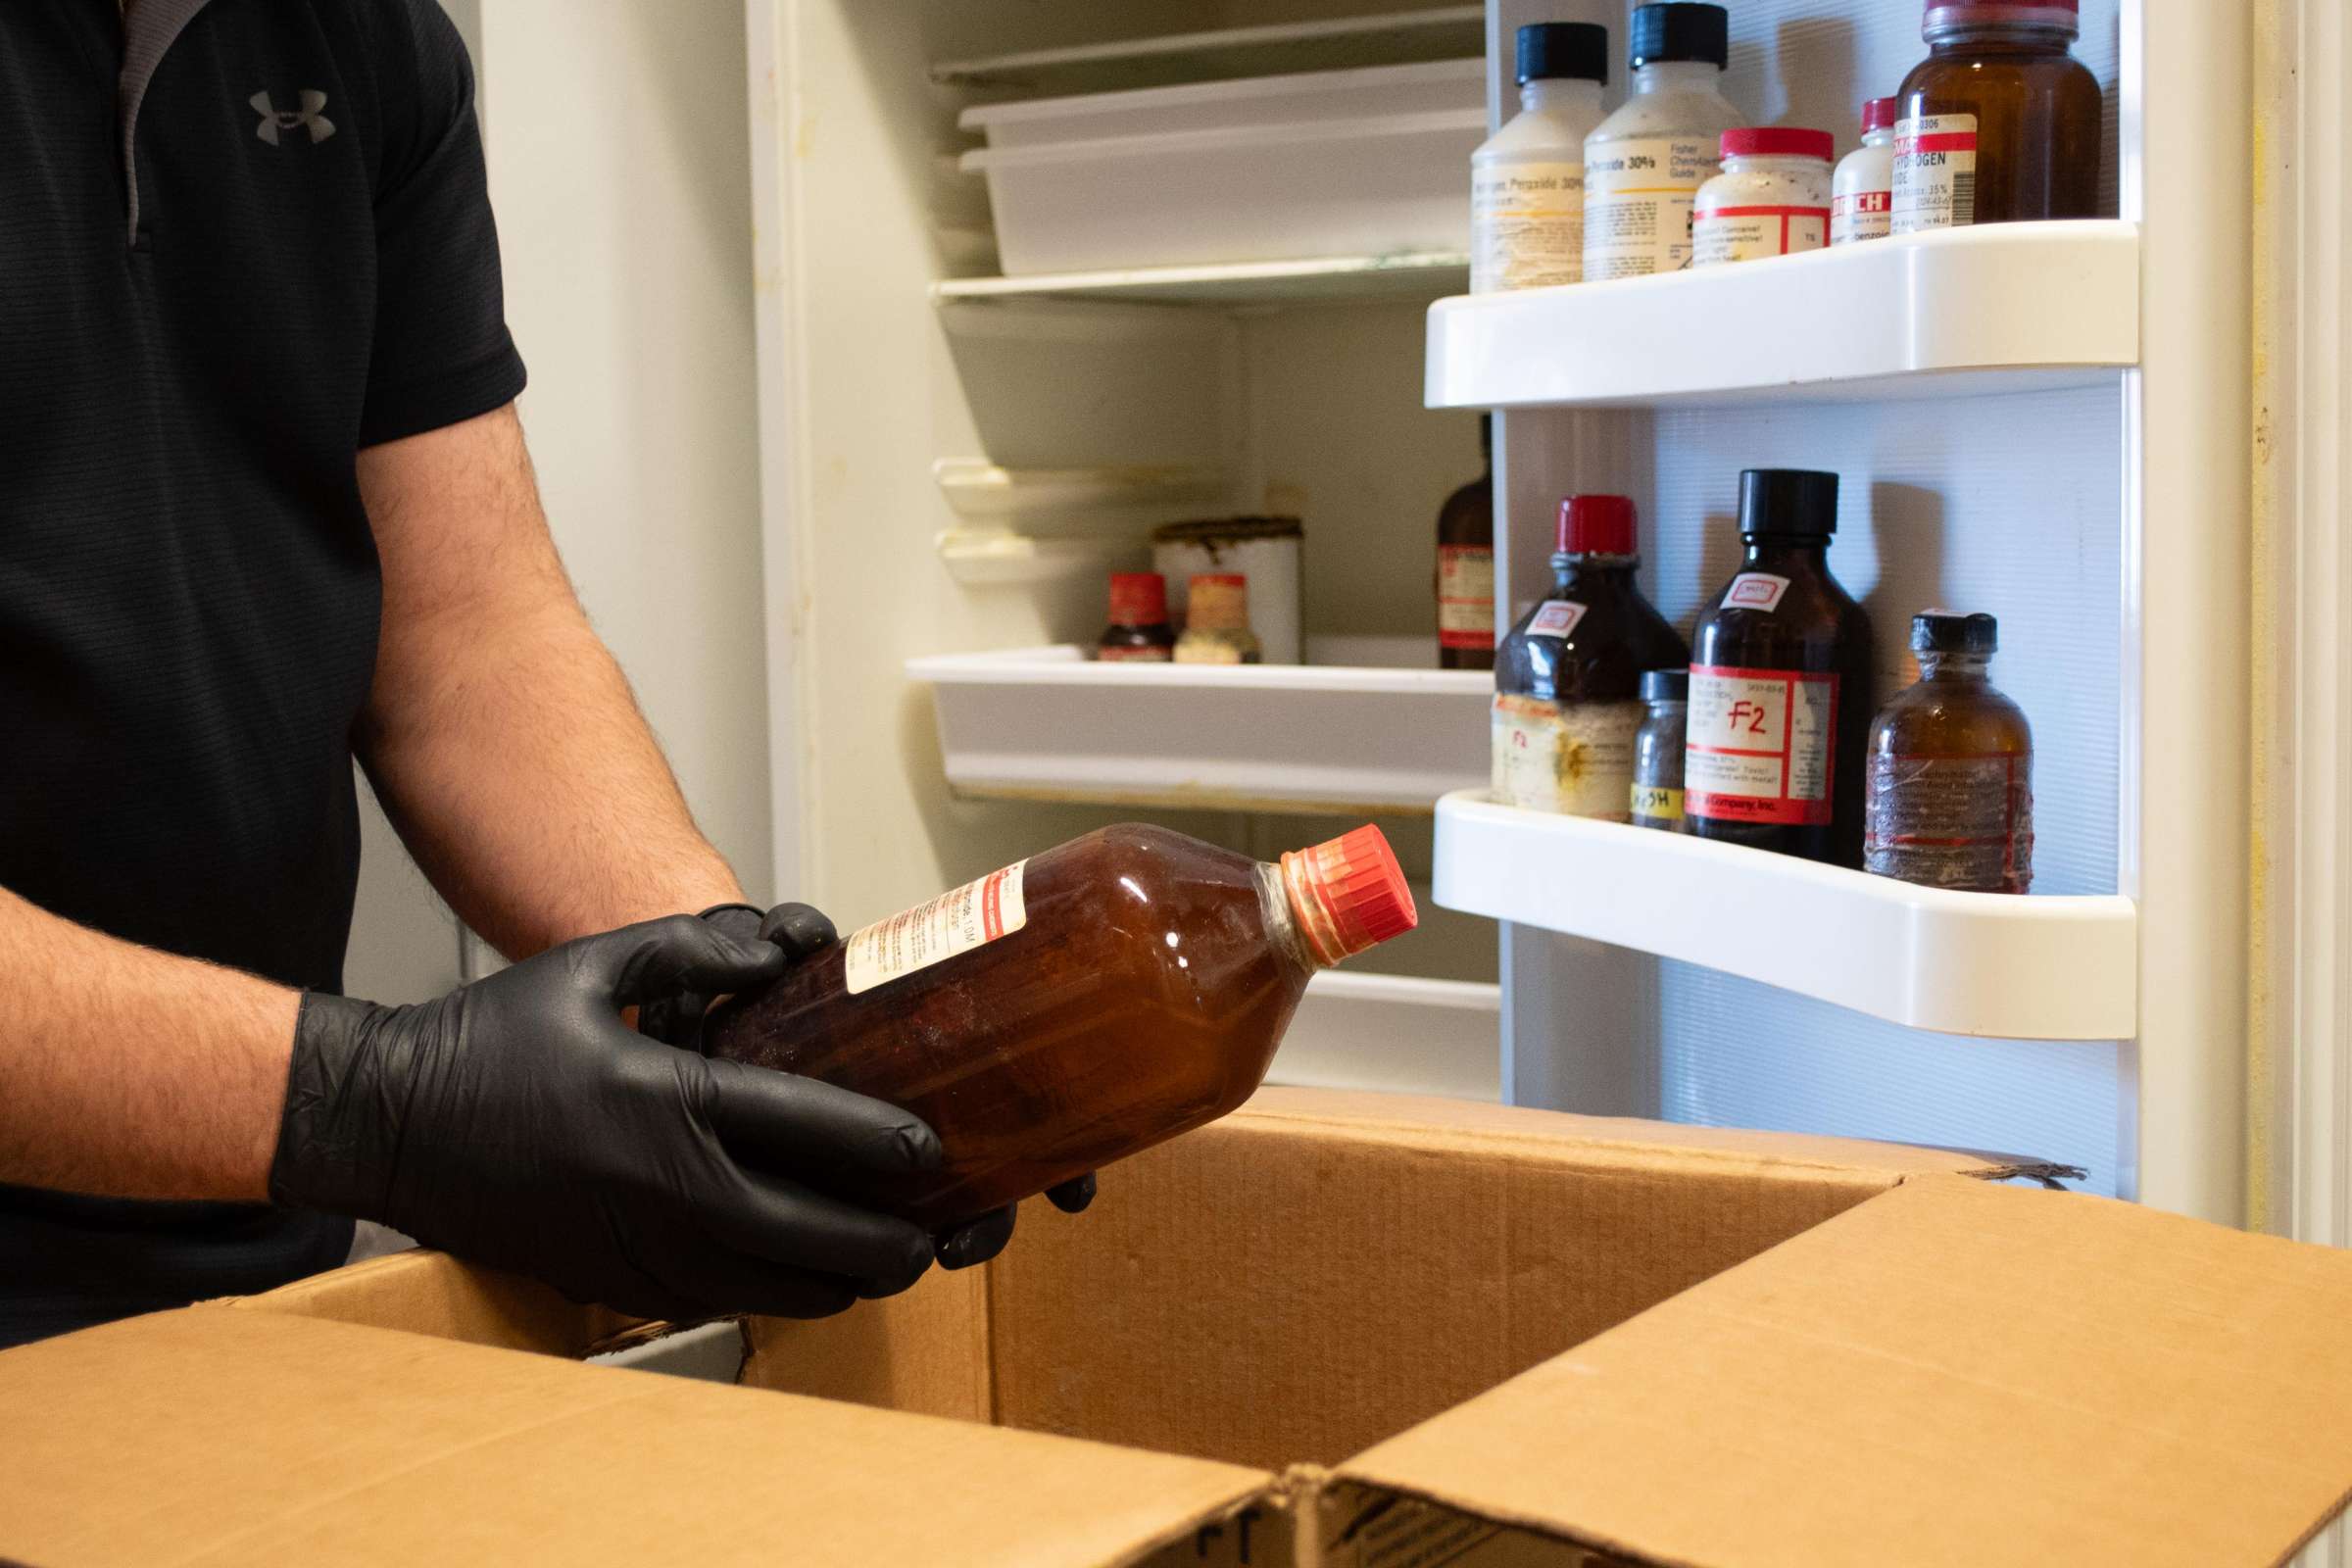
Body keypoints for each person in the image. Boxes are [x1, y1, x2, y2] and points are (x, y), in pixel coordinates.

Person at [0, 0, 1086, 1350]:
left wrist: (759, 1040)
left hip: (246, 1261)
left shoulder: (357, 38)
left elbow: (467, 638)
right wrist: (378, 1105)